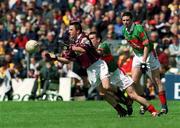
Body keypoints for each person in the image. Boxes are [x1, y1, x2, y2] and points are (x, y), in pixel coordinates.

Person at [47, 21, 128, 117]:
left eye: (71, 29)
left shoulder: (84, 38)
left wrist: (70, 47)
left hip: (98, 64)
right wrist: (55, 58)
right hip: (90, 69)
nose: (69, 31)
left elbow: (83, 50)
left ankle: (124, 97)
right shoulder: (73, 43)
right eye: (69, 30)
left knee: (106, 86)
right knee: (102, 94)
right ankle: (120, 110)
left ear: (78, 31)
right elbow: (67, 60)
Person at [88, 31, 160, 117]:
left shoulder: (104, 45)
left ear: (98, 39)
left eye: (92, 38)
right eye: (89, 39)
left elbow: (98, 53)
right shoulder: (90, 50)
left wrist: (84, 49)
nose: (90, 40)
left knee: (133, 95)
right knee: (103, 93)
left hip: (116, 74)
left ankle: (153, 111)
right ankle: (121, 109)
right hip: (105, 76)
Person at [121, 11, 168, 114]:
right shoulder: (123, 30)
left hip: (149, 54)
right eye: (123, 20)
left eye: (127, 20)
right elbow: (132, 44)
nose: (125, 22)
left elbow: (146, 46)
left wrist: (143, 61)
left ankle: (164, 106)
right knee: (134, 82)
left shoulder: (139, 28)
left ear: (132, 20)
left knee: (156, 80)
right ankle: (144, 104)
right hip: (137, 55)